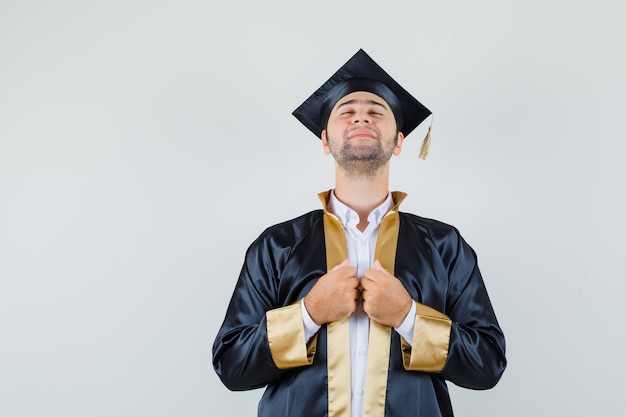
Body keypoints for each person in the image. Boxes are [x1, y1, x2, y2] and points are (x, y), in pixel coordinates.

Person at [212, 49, 506, 417]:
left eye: (376, 111)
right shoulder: (278, 246)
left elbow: (488, 365)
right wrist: (308, 313)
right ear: (325, 140)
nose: (361, 117)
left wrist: (408, 316)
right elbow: (231, 365)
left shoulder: (445, 246)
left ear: (399, 141)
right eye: (346, 111)